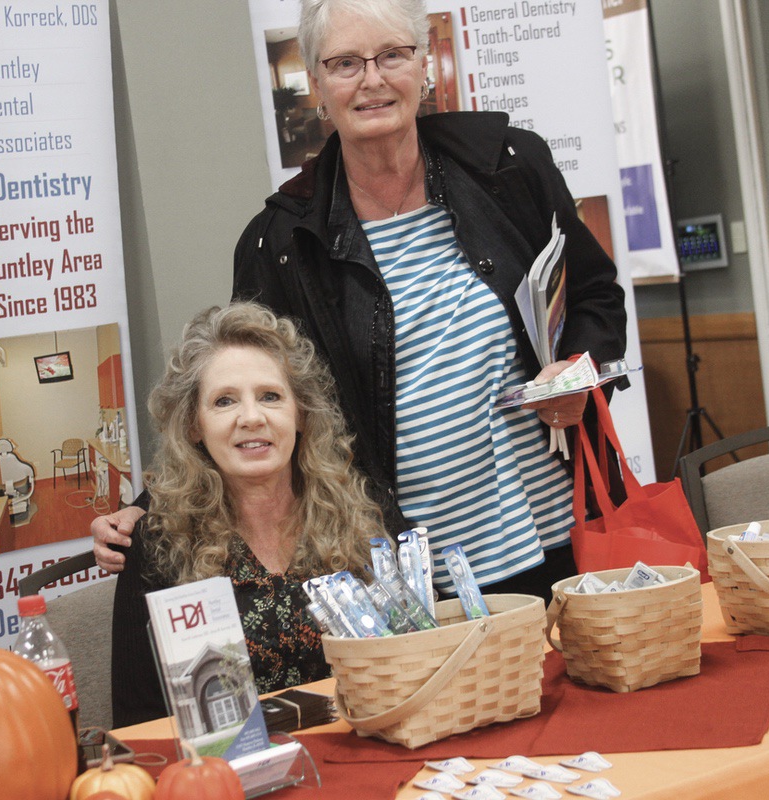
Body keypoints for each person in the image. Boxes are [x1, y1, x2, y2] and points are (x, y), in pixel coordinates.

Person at [95, 0, 626, 603]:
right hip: (411, 564)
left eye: (392, 56)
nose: (372, 80)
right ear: (317, 84)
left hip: (564, 526)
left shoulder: (509, 166)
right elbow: (252, 393)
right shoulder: (282, 242)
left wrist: (580, 371)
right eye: (345, 64)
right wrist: (149, 507)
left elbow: (594, 295)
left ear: (423, 66)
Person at [109, 302, 383, 726]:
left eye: (270, 396)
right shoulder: (155, 545)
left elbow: (412, 661)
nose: (251, 418)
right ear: (193, 426)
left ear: (301, 415)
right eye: (224, 401)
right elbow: (138, 722)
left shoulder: (362, 516)